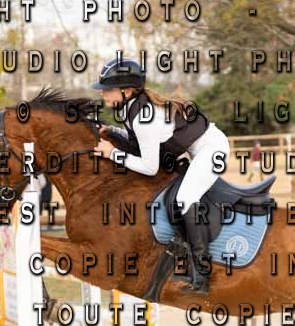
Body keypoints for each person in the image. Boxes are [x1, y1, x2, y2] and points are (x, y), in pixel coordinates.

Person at [92, 56, 230, 295]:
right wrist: (112, 131)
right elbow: (138, 141)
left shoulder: (143, 115)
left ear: (127, 91)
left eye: (108, 89)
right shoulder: (131, 108)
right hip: (195, 149)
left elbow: (149, 167)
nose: (103, 94)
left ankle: (202, 272)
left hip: (212, 150)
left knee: (184, 200)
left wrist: (112, 153)